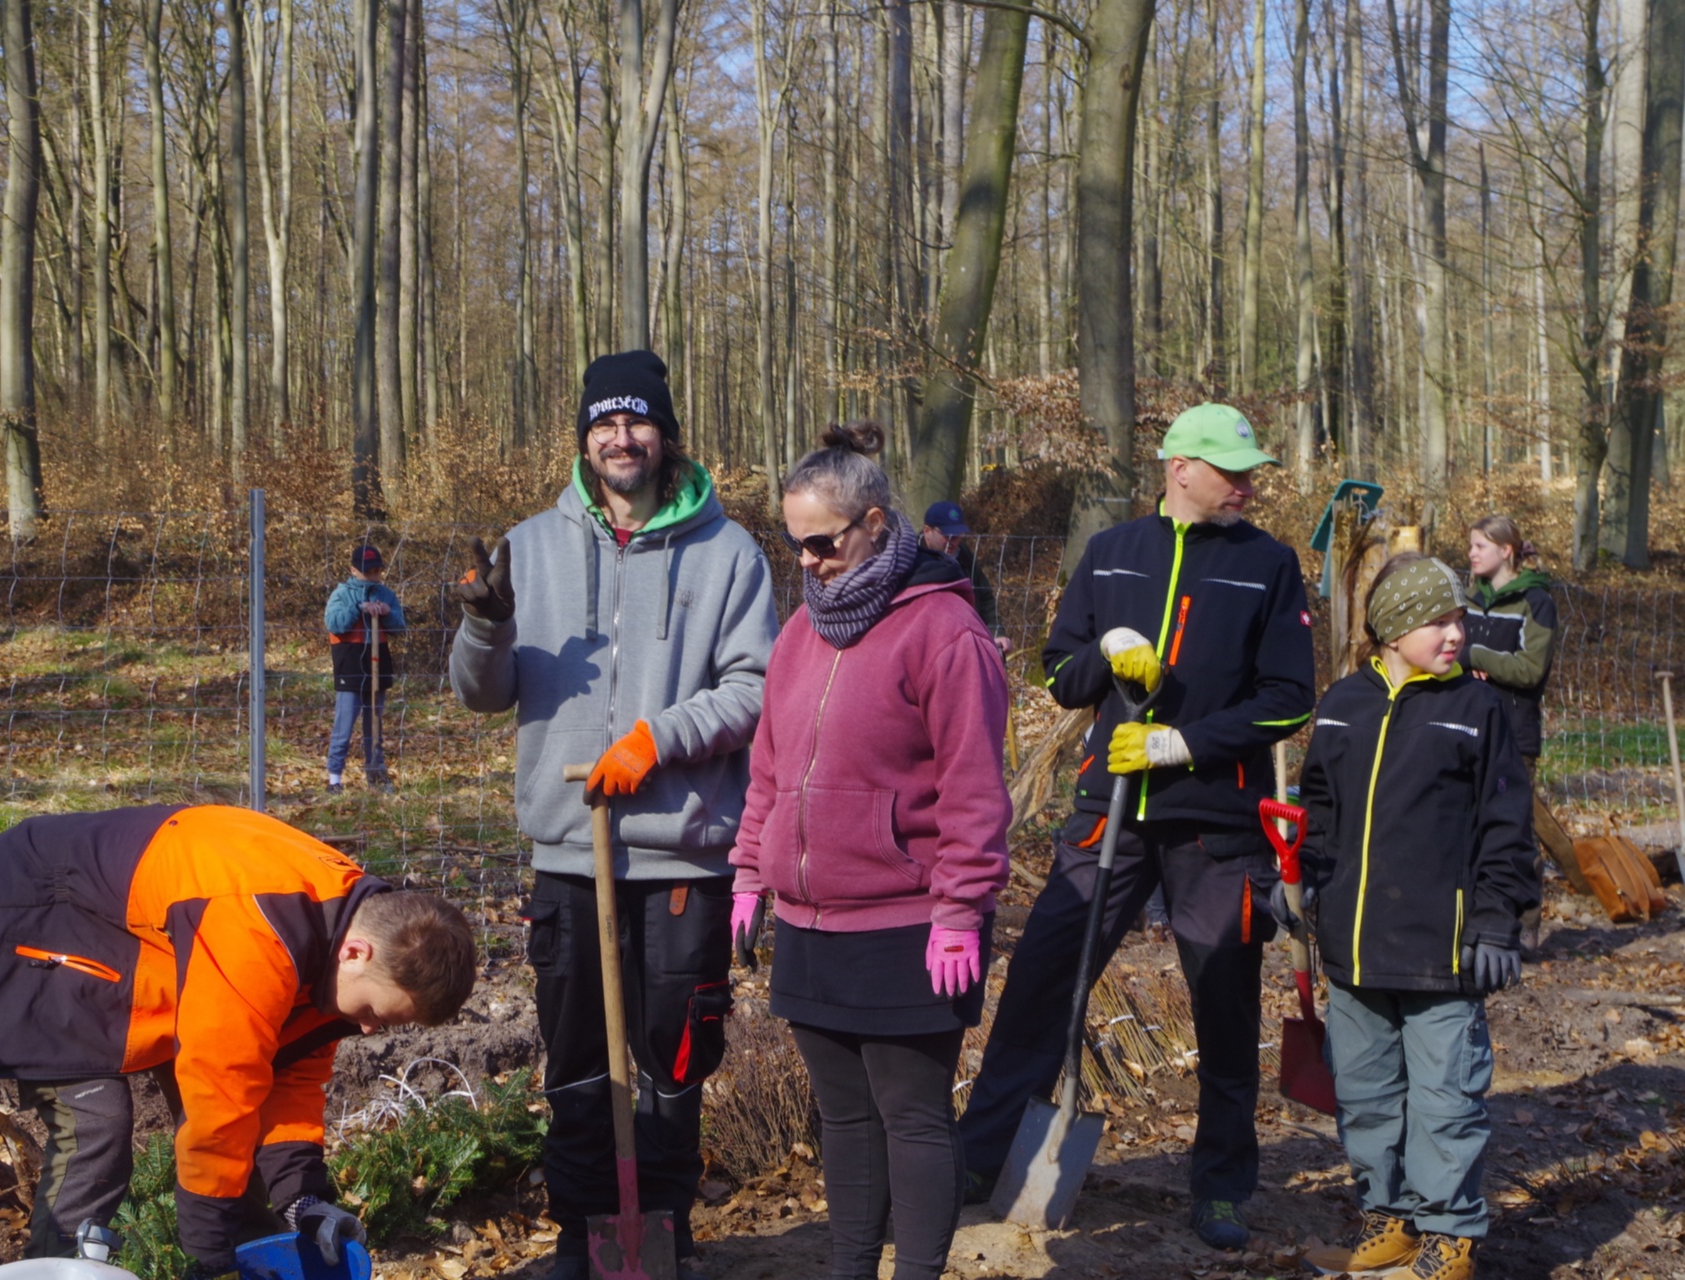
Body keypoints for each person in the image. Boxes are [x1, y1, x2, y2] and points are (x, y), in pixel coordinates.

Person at [447, 349, 777, 1280]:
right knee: (579, 1064)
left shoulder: (728, 551)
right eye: (603, 424)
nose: (620, 438)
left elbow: (757, 688)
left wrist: (657, 739)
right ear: (584, 436)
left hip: (681, 856)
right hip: (568, 854)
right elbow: (482, 694)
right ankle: (582, 1238)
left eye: (637, 423)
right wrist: (484, 623)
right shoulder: (531, 545)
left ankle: (660, 1235)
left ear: (666, 434)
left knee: (672, 1063)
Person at [956, 403, 1317, 1250]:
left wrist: (1184, 740)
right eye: (1233, 471)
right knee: (1043, 982)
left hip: (1215, 824)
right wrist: (1107, 656)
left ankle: (1222, 1183)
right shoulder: (1113, 553)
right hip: (1106, 814)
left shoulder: (1269, 564)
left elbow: (1288, 699)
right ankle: (980, 1157)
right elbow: (1059, 674)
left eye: (1251, 471)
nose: (1248, 485)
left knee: (1224, 1002)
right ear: (1179, 467)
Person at [0, 804, 477, 1275]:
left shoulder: (344, 927)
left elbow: (289, 1075)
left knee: (235, 1128)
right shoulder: (261, 924)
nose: (370, 1029)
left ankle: (263, 1253)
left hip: (119, 941)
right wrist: (210, 1256)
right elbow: (221, 1085)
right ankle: (61, 1260)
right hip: (22, 913)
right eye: (378, 1012)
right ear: (358, 955)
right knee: (96, 1120)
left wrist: (302, 1201)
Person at [730, 423, 1011, 1280]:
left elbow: (973, 792)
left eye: (822, 542)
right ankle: (850, 1268)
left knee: (913, 1116)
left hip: (910, 920)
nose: (807, 560)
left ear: (876, 524)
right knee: (843, 1119)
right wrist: (750, 874)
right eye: (794, 543)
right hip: (813, 922)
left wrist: (960, 911)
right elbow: (769, 770)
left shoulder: (945, 632)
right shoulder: (797, 636)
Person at [1278, 554, 1536, 1280]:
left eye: (1459, 619)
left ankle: (1449, 1236)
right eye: (1438, 621)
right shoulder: (1342, 704)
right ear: (1391, 631)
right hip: (1353, 952)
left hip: (1441, 953)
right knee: (1365, 1098)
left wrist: (1494, 923)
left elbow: (1505, 827)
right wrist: (1298, 886)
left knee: (1445, 1102)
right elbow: (1320, 813)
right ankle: (1388, 1220)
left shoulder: (1477, 709)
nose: (1456, 634)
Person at [1462, 516, 1559, 949]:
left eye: (1480, 545)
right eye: (1470, 546)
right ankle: (1475, 923)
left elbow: (1530, 669)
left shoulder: (1536, 602)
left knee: (1515, 830)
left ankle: (1525, 926)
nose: (1471, 553)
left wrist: (1478, 654)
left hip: (1514, 731)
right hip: (1466, 726)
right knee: (1466, 826)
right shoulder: (1466, 598)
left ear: (1506, 551)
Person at [324, 545, 405, 795]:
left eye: (377, 570)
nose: (374, 576)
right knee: (344, 725)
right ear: (353, 570)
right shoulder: (341, 594)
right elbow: (334, 624)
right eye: (368, 571)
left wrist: (387, 613)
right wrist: (358, 608)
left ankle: (376, 776)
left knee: (375, 726)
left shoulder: (386, 594)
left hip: (378, 665)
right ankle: (334, 779)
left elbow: (400, 627)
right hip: (349, 664)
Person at [920, 500, 1015, 655]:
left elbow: (984, 596)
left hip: (964, 645)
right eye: (947, 536)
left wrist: (996, 631)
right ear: (927, 531)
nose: (953, 542)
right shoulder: (911, 559)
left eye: (958, 536)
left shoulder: (964, 555)